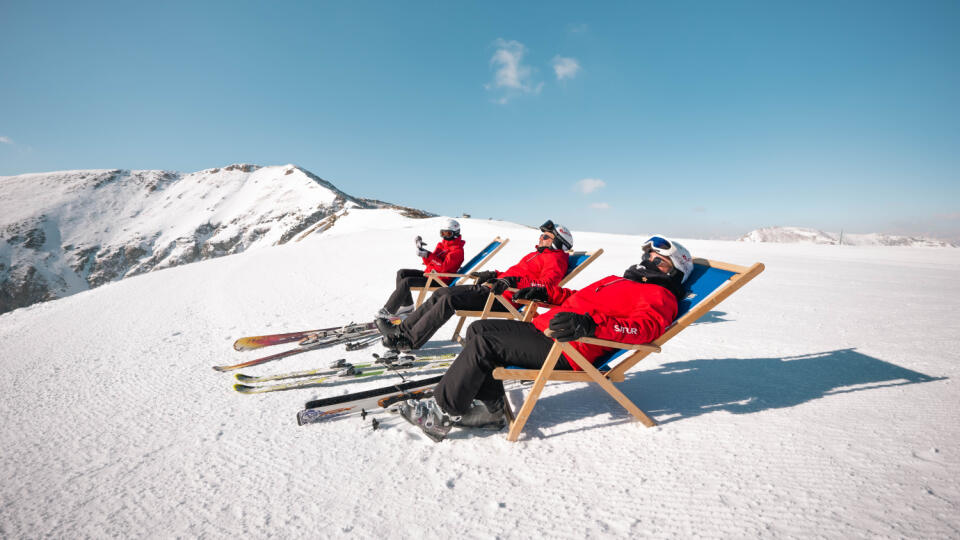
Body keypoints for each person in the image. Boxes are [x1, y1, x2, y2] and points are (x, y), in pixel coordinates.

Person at [398, 235, 695, 442]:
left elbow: (641, 330)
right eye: (650, 256)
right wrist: (545, 293)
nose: (650, 262)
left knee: (485, 343)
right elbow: (575, 297)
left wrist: (589, 326)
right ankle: (490, 410)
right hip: (547, 330)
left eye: (661, 262)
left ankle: (440, 414)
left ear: (675, 273)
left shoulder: (662, 295)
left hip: (569, 349)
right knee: (479, 329)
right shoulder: (617, 280)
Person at [377, 220, 575, 353]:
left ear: (558, 243)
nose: (541, 238)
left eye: (546, 237)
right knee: (441, 292)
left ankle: (410, 341)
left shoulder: (556, 260)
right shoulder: (536, 255)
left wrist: (513, 283)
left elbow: (546, 285)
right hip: (494, 290)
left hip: (504, 299)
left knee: (448, 299)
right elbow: (512, 274)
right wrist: (494, 274)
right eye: (542, 236)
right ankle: (401, 331)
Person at [377, 218, 465, 320]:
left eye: (448, 234)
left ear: (456, 233)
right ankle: (407, 306)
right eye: (443, 233)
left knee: (407, 281)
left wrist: (428, 255)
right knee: (402, 273)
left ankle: (389, 310)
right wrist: (423, 252)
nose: (445, 236)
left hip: (440, 280)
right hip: (431, 274)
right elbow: (429, 262)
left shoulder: (458, 251)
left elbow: (443, 268)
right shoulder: (442, 245)